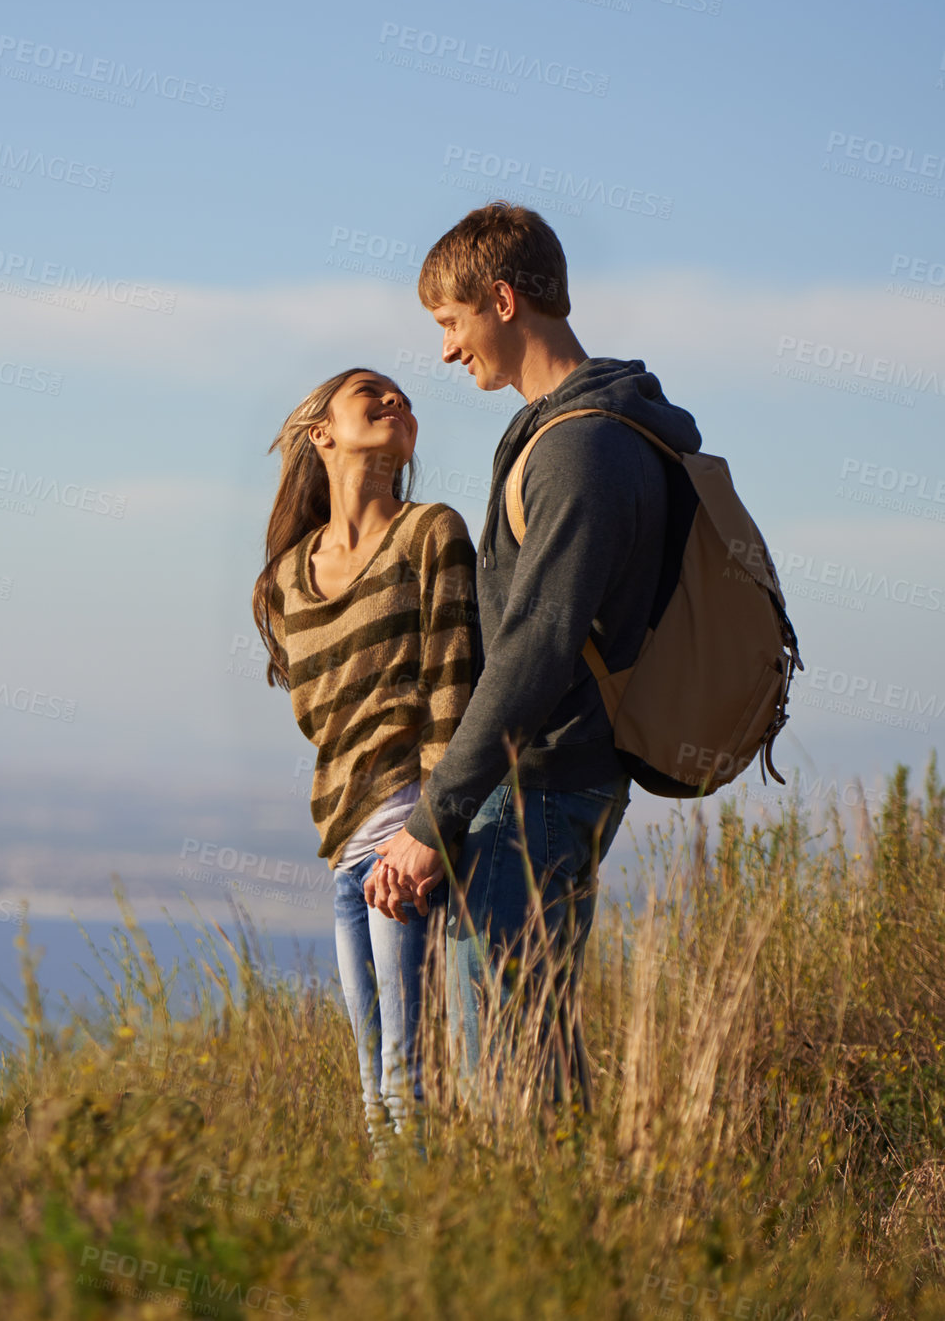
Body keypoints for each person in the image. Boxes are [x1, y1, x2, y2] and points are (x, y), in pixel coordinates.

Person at [366, 201, 703, 1106]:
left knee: (513, 1074)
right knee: (531, 1051)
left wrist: (436, 818)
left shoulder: (582, 448)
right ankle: (560, 1236)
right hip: (545, 785)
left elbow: (539, 645)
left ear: (503, 300)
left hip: (538, 790)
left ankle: (545, 1239)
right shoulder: (594, 432)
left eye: (451, 322)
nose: (444, 351)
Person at [252, 366, 477, 1151]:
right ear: (322, 434)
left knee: (409, 1075)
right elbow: (320, 714)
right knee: (369, 1077)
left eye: (404, 402)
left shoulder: (431, 532)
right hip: (343, 845)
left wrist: (432, 832)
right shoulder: (287, 577)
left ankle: (419, 1245)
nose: (396, 403)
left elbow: (455, 688)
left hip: (410, 839)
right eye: (372, 395)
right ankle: (388, 1247)